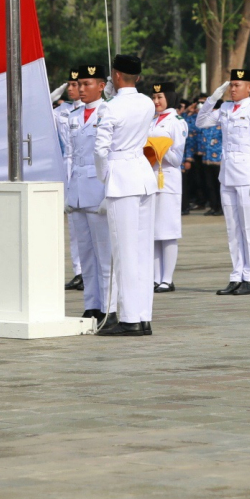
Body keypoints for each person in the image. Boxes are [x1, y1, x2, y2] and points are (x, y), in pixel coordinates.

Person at [94, 54, 158, 337]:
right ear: (138, 78)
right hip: (143, 176)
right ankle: (143, 316)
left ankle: (130, 318)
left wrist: (104, 178)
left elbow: (100, 150)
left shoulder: (109, 108)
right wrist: (115, 93)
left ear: (116, 75)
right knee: (143, 250)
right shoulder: (147, 103)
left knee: (124, 252)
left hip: (121, 178)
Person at [198, 69, 250, 295]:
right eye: (231, 85)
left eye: (238, 85)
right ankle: (236, 274)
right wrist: (214, 97)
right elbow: (201, 121)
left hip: (247, 177)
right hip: (227, 174)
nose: (233, 89)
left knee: (249, 228)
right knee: (233, 228)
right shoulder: (226, 108)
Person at [66, 63, 113, 323]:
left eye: (87, 84)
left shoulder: (108, 112)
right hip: (77, 191)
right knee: (85, 253)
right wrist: (68, 192)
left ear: (101, 86)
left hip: (98, 189)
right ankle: (91, 304)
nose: (81, 89)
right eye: (79, 84)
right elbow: (70, 156)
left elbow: (110, 156)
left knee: (104, 252)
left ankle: (108, 305)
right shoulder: (73, 116)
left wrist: (109, 192)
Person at [148, 83, 187, 293]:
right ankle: (155, 277)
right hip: (150, 178)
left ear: (169, 98)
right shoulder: (151, 120)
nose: (156, 101)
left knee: (168, 230)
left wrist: (160, 148)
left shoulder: (177, 122)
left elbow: (177, 158)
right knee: (153, 231)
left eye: (160, 97)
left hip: (168, 179)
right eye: (154, 97)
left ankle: (167, 278)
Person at [53, 67, 85, 292]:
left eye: (76, 84)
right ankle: (79, 271)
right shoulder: (61, 111)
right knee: (74, 224)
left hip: (87, 166)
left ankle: (92, 271)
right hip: (68, 167)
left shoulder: (94, 109)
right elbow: (37, 109)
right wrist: (55, 94)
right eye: (70, 85)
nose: (72, 89)